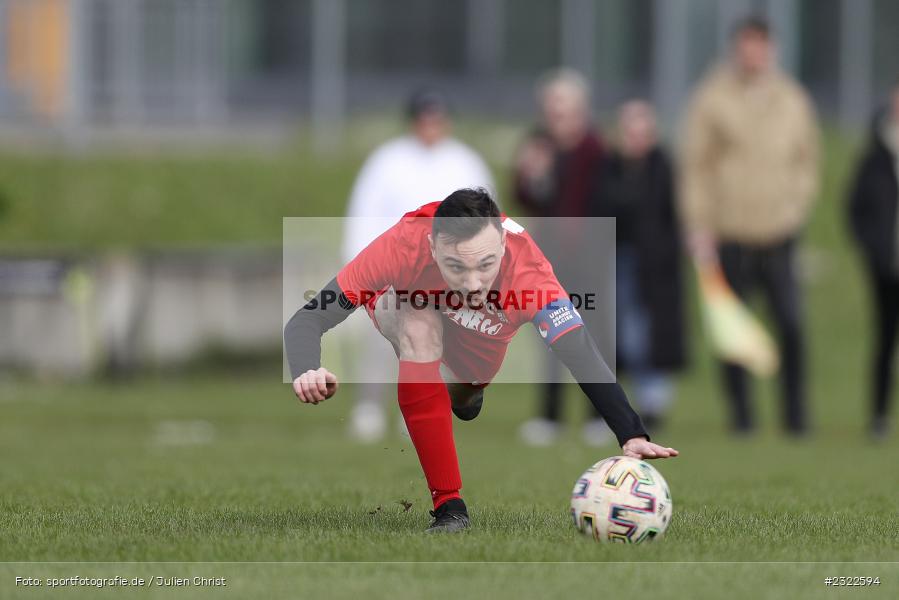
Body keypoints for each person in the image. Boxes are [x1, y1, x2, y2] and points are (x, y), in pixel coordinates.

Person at [285, 189, 678, 533]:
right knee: (414, 323)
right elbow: (310, 316)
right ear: (433, 246)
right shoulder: (405, 242)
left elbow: (579, 351)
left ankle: (463, 395)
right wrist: (306, 368)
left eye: (486, 265)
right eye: (456, 266)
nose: (473, 283)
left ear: (503, 246)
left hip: (477, 355)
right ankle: (449, 507)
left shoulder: (530, 272)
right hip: (416, 306)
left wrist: (631, 432)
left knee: (462, 392)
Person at [680, 16, 819, 436]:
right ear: (736, 49)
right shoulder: (712, 98)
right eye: (746, 46)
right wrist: (699, 224)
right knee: (733, 334)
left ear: (771, 49)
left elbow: (807, 161)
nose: (753, 54)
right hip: (730, 233)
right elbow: (696, 166)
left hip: (779, 233)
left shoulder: (792, 98)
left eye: (760, 45)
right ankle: (742, 419)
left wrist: (795, 206)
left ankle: (796, 418)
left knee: (791, 324)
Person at [341, 88, 494, 442]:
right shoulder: (387, 161)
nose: (431, 126)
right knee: (383, 339)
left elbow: (486, 217)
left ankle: (421, 412)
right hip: (393, 267)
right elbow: (364, 213)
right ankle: (369, 407)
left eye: (437, 118)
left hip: (446, 273)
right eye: (424, 118)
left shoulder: (465, 162)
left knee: (432, 344)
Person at [513, 68, 610, 446]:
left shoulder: (595, 150)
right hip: (549, 257)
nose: (556, 114)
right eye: (551, 106)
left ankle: (597, 416)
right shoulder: (539, 146)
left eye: (563, 106)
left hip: (590, 256)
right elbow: (528, 197)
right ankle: (549, 415)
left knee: (594, 336)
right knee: (550, 333)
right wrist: (533, 176)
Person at [591, 100, 687, 432]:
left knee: (645, 336)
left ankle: (653, 403)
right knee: (618, 336)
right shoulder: (608, 168)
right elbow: (603, 208)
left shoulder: (664, 168)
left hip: (655, 270)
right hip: (617, 261)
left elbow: (670, 218)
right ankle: (620, 407)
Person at [848, 80, 899, 440]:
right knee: (885, 340)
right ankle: (879, 417)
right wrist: (874, 249)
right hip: (887, 267)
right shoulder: (875, 155)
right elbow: (856, 209)